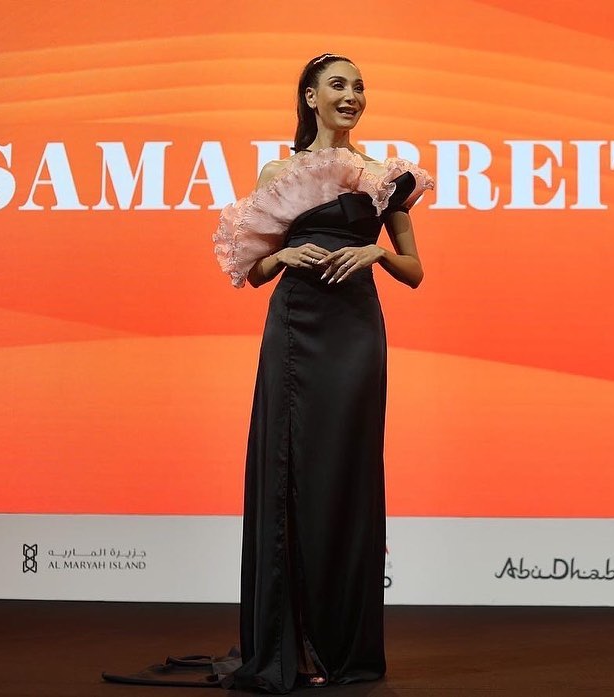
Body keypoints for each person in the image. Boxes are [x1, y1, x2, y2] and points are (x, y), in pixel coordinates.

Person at [212, 53, 435, 693]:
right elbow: (251, 270)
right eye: (338, 85)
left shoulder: (385, 176)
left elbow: (416, 270)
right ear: (310, 97)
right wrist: (282, 255)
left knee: (346, 470)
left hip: (355, 332)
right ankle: (294, 643)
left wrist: (377, 253)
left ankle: (342, 646)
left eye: (360, 86)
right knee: (290, 469)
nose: (352, 95)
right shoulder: (278, 172)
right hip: (295, 329)